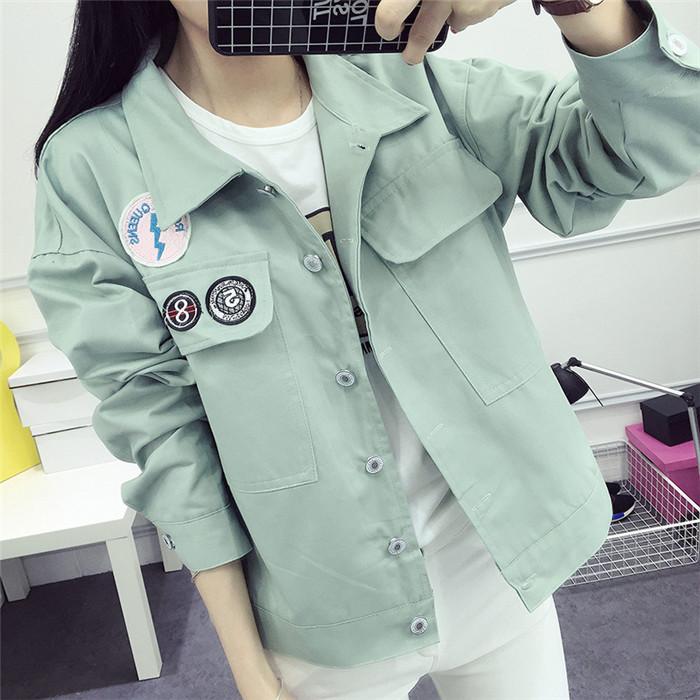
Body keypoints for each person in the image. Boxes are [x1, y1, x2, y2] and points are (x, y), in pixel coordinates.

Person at [29, 0, 698, 698]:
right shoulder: (93, 168)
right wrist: (249, 669)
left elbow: (643, 148)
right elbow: (163, 432)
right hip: (325, 617)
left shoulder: (415, 81)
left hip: (501, 571)